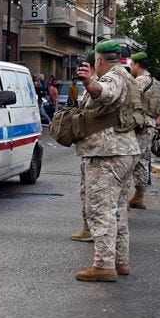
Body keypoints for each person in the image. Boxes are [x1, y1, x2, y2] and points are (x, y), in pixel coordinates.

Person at [73, 41, 141, 282]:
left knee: (101, 209)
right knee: (118, 209)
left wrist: (90, 83)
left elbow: (105, 92)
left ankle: (103, 264)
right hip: (125, 151)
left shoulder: (113, 77)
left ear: (99, 61)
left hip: (108, 154)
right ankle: (120, 260)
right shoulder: (127, 76)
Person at [127, 51, 160, 210]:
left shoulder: (138, 82)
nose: (130, 68)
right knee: (142, 160)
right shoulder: (154, 82)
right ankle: (139, 196)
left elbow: (126, 100)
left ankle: (124, 197)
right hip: (150, 124)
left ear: (137, 65)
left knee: (129, 159)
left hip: (139, 125)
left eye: (131, 65)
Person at [71, 51, 96, 243]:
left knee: (92, 193)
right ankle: (87, 227)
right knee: (85, 190)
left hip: (97, 148)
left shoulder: (98, 85)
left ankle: (92, 230)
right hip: (90, 147)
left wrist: (89, 82)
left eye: (86, 65)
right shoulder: (91, 86)